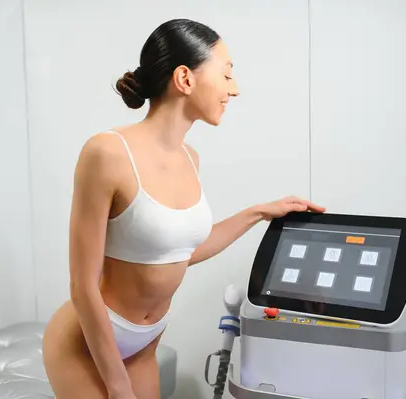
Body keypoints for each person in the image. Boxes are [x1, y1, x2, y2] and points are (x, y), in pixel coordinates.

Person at [42, 18, 325, 399]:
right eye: (226, 75)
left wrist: (259, 212)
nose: (234, 89)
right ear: (185, 79)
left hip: (145, 345)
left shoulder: (190, 158)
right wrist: (117, 384)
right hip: (85, 343)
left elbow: (180, 252)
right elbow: (82, 284)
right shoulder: (106, 153)